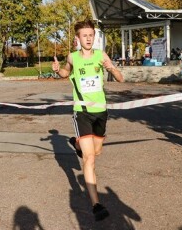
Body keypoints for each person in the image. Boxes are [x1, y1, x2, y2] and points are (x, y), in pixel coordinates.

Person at [52, 20, 124, 221]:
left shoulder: (101, 56)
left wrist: (111, 68)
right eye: (85, 35)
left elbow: (120, 78)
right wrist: (58, 71)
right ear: (78, 38)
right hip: (81, 111)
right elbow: (67, 72)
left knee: (97, 151)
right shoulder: (73, 57)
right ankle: (96, 204)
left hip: (101, 112)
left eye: (91, 35)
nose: (89, 38)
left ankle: (76, 143)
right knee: (89, 158)